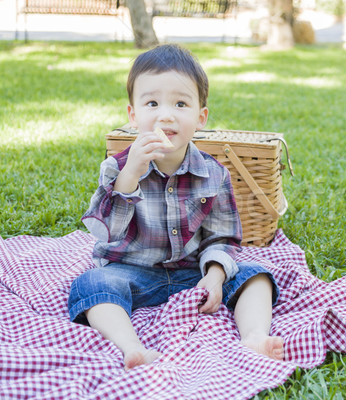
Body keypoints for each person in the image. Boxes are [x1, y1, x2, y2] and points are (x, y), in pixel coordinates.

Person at [68, 44, 284, 370]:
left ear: (200, 118)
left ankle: (253, 337)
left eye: (180, 104)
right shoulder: (117, 168)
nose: (166, 114)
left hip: (190, 273)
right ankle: (131, 348)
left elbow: (223, 236)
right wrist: (130, 178)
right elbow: (103, 230)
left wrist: (213, 276)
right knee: (92, 283)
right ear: (133, 115)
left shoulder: (214, 173)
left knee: (256, 275)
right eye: (152, 103)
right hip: (131, 272)